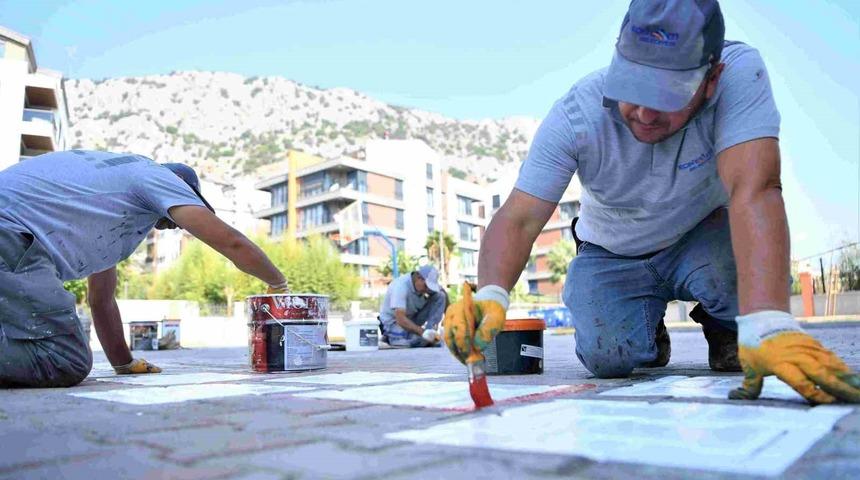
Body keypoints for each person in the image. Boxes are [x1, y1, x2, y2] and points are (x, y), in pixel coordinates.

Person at [444, 0, 860, 404]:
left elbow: (756, 190)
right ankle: (648, 328)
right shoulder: (577, 113)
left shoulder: (739, 76)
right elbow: (519, 218)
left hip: (703, 235)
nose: (644, 113)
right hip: (612, 252)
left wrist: (769, 323)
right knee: (607, 357)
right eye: (632, 87)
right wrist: (492, 295)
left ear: (711, 79)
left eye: (668, 94)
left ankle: (728, 327)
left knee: (736, 278)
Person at [0, 150, 289, 388]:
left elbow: (101, 301)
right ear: (178, 186)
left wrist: (123, 362)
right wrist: (278, 283)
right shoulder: (156, 176)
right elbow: (232, 243)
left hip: (12, 239)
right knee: (63, 359)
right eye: (172, 218)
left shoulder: (108, 204)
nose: (170, 226)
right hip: (9, 236)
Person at [378, 265, 446, 347]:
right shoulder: (400, 287)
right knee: (416, 341)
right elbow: (400, 319)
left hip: (412, 318)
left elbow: (441, 296)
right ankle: (391, 337)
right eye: (426, 286)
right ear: (418, 277)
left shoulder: (423, 286)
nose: (426, 290)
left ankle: (430, 333)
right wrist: (422, 332)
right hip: (395, 323)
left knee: (440, 296)